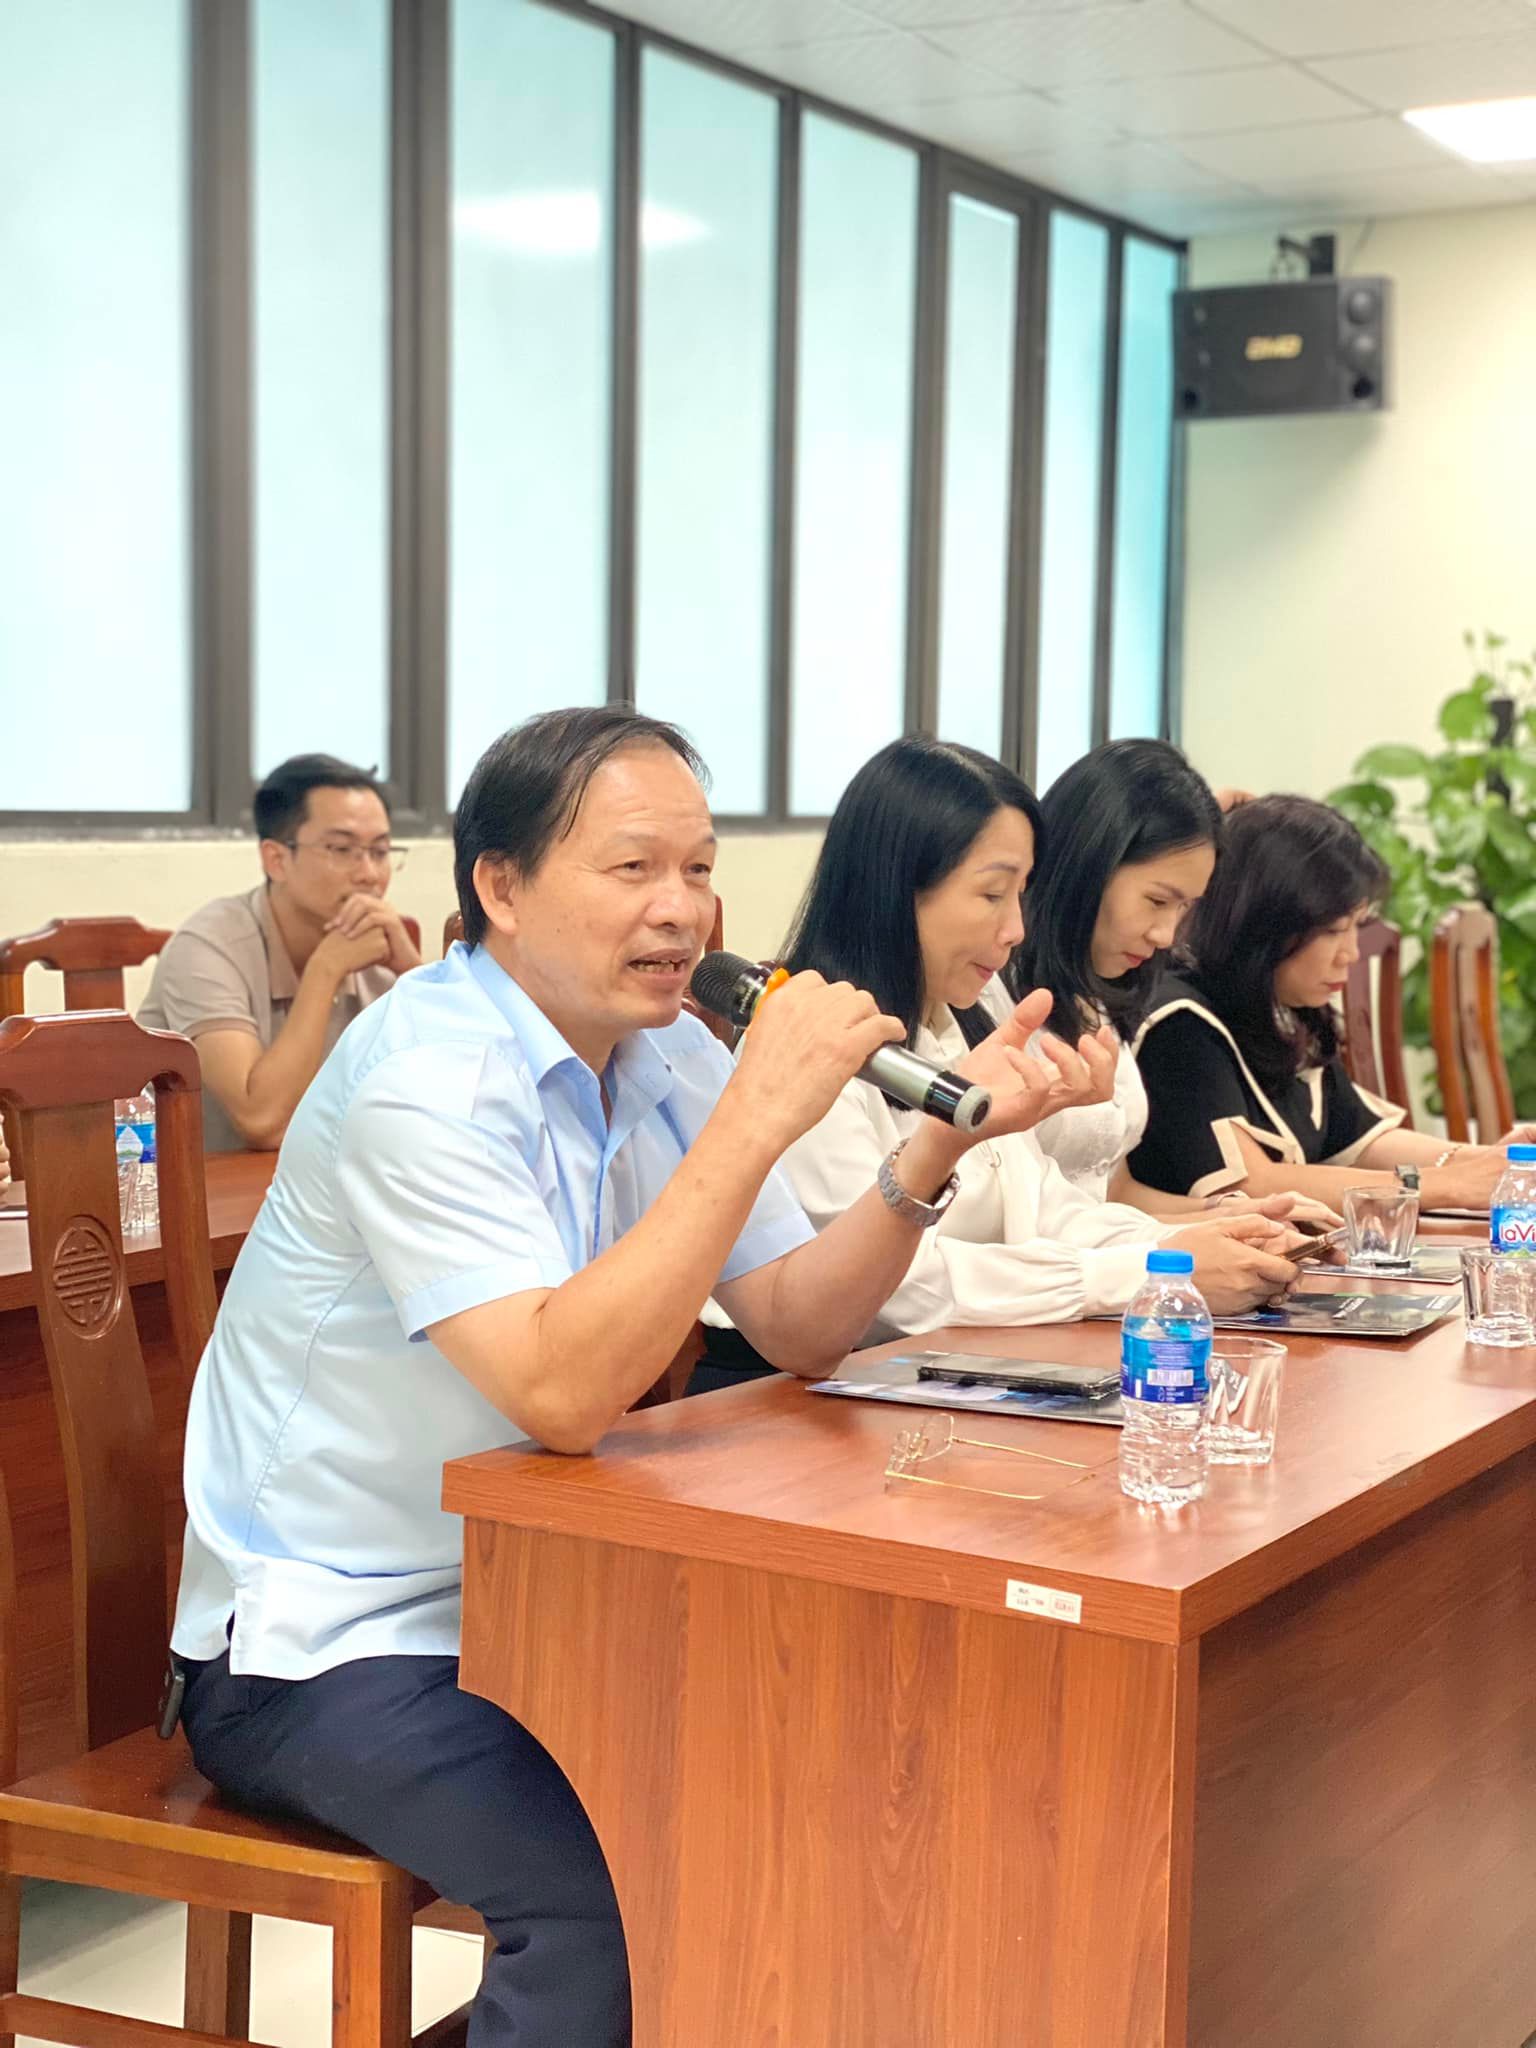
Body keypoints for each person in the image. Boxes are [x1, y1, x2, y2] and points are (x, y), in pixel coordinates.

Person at [169, 707, 1118, 2048]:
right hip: (328, 1641)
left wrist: (932, 1151)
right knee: (612, 1895)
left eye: (699, 868)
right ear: (502, 887)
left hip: (540, 1599)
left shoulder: (666, 1053)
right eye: (633, 868)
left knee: (807, 1795)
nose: (682, 908)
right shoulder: (426, 1079)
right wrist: (755, 1114)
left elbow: (798, 1324)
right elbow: (560, 1396)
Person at [763, 736, 1301, 1342]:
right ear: (893, 886)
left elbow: (1046, 1207)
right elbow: (899, 1289)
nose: (1017, 928)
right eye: (993, 894)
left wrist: (1187, 1248)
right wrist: (1143, 1273)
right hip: (823, 1383)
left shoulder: (957, 1022)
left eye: (1021, 895)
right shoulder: (807, 1042)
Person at [1131, 793, 1523, 1208]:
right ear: (1265, 924)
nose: (1351, 953)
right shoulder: (1179, 1022)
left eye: (1357, 927)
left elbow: (1358, 1140)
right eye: (1335, 930)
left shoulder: (1285, 1009)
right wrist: (1450, 1184)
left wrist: (1492, 1162)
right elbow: (1250, 1184)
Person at [1008, 739, 1337, 1225]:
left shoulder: (1098, 994)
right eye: (1158, 901)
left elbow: (1111, 1193)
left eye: (1184, 907)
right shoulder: (995, 996)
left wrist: (1233, 1217)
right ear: (1089, 864)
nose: (1165, 935)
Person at [138, 754, 419, 1152]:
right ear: (276, 860)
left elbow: (460, 1102)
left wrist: (413, 973)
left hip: (327, 1177)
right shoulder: (207, 946)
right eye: (342, 849)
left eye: (380, 851)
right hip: (200, 1182)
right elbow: (262, 1122)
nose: (370, 874)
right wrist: (326, 969)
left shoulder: (380, 948)